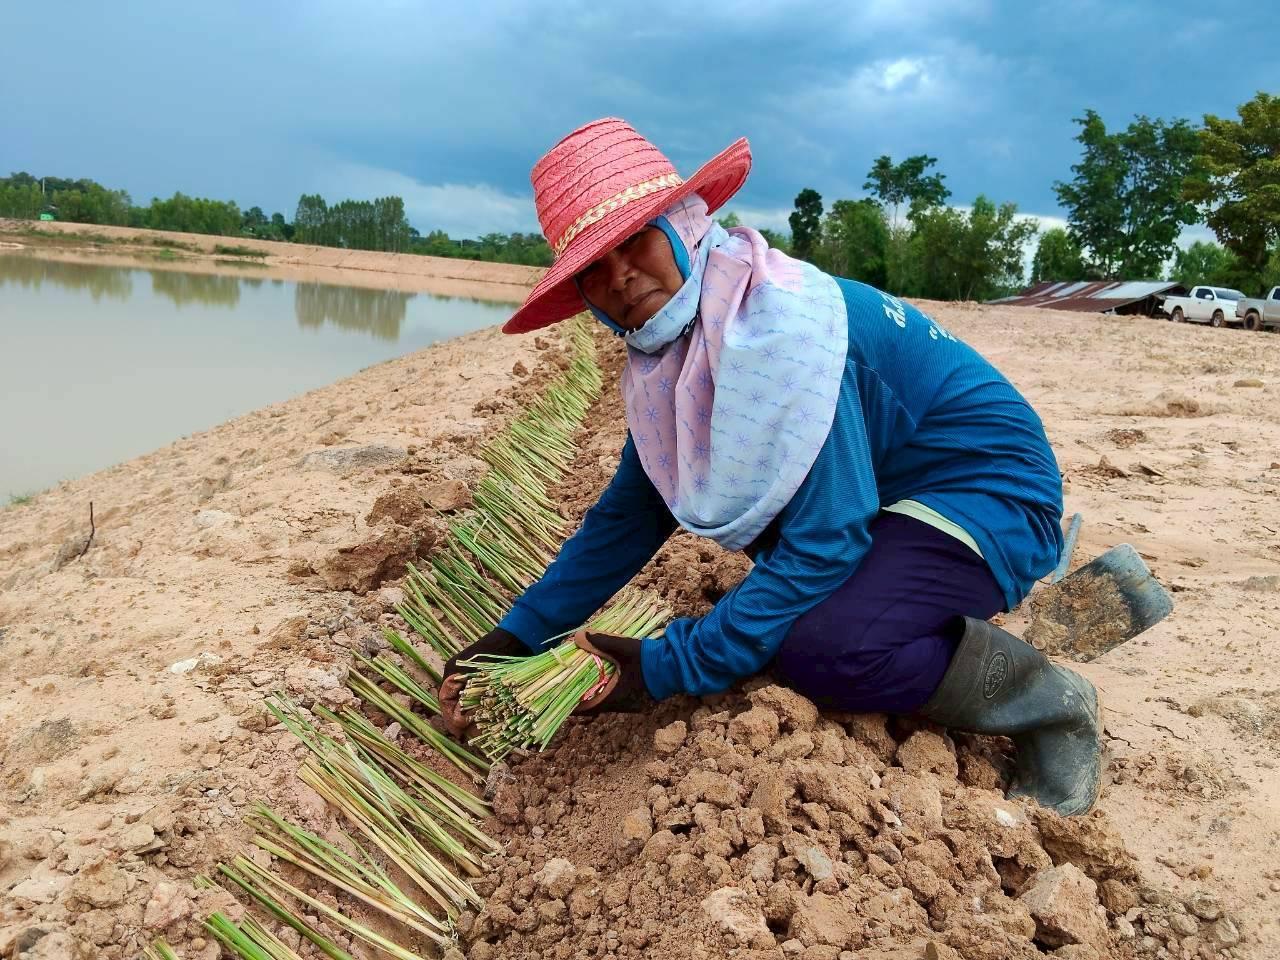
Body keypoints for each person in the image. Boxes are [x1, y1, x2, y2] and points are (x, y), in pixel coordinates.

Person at [439, 118, 1101, 816]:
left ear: (685, 224)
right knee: (783, 611)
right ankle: (942, 591)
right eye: (592, 270)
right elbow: (632, 515)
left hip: (986, 490)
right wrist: (514, 637)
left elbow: (826, 540)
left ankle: (1049, 702)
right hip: (888, 496)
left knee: (826, 650)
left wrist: (662, 666)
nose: (620, 277)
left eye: (633, 240)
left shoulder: (781, 332)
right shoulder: (672, 361)